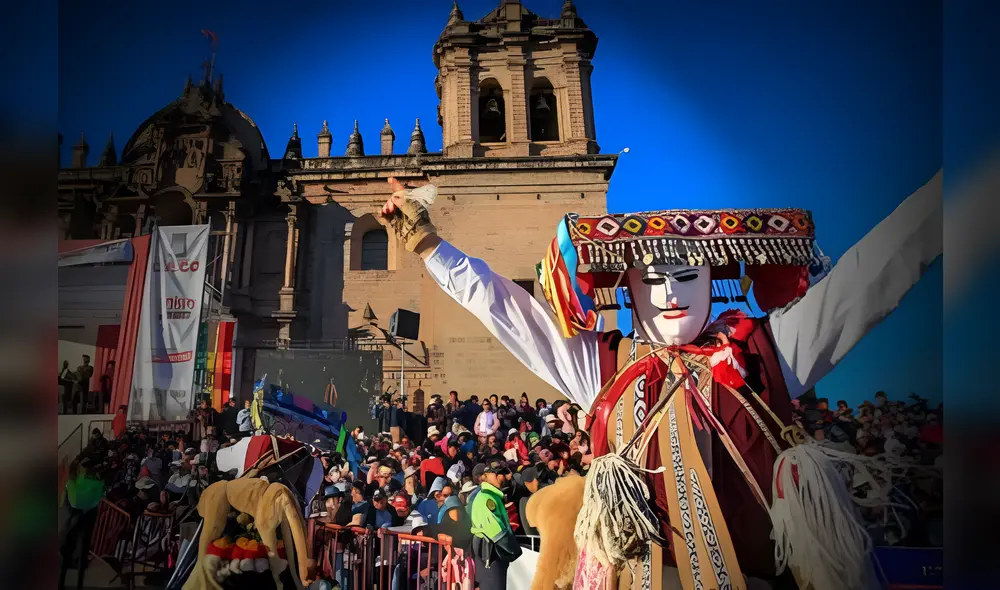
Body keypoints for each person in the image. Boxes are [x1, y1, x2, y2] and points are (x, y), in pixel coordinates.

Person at [383, 171, 941, 589]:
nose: (671, 293)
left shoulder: (765, 353)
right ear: (627, 287)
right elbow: (505, 308)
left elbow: (870, 278)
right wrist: (429, 245)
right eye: (652, 279)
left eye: (686, 276)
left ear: (712, 279)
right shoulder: (604, 365)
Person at [468, 463, 521, 590]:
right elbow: (495, 531)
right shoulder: (486, 497)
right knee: (493, 584)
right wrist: (513, 549)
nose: (502, 477)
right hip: (490, 547)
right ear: (487, 476)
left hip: (492, 547)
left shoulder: (493, 496)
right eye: (499, 474)